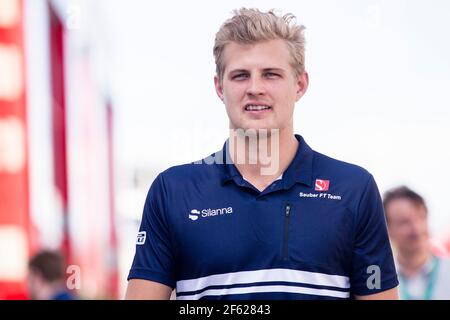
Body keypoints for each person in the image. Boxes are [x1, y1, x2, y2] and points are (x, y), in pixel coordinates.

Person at [125, 8, 398, 300]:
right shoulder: (173, 190)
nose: (255, 88)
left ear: (300, 84)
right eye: (240, 76)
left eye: (271, 75)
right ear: (219, 87)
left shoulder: (353, 189)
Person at [383, 186, 450, 299]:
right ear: (387, 229)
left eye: (421, 218)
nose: (416, 229)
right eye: (405, 222)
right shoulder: (378, 279)